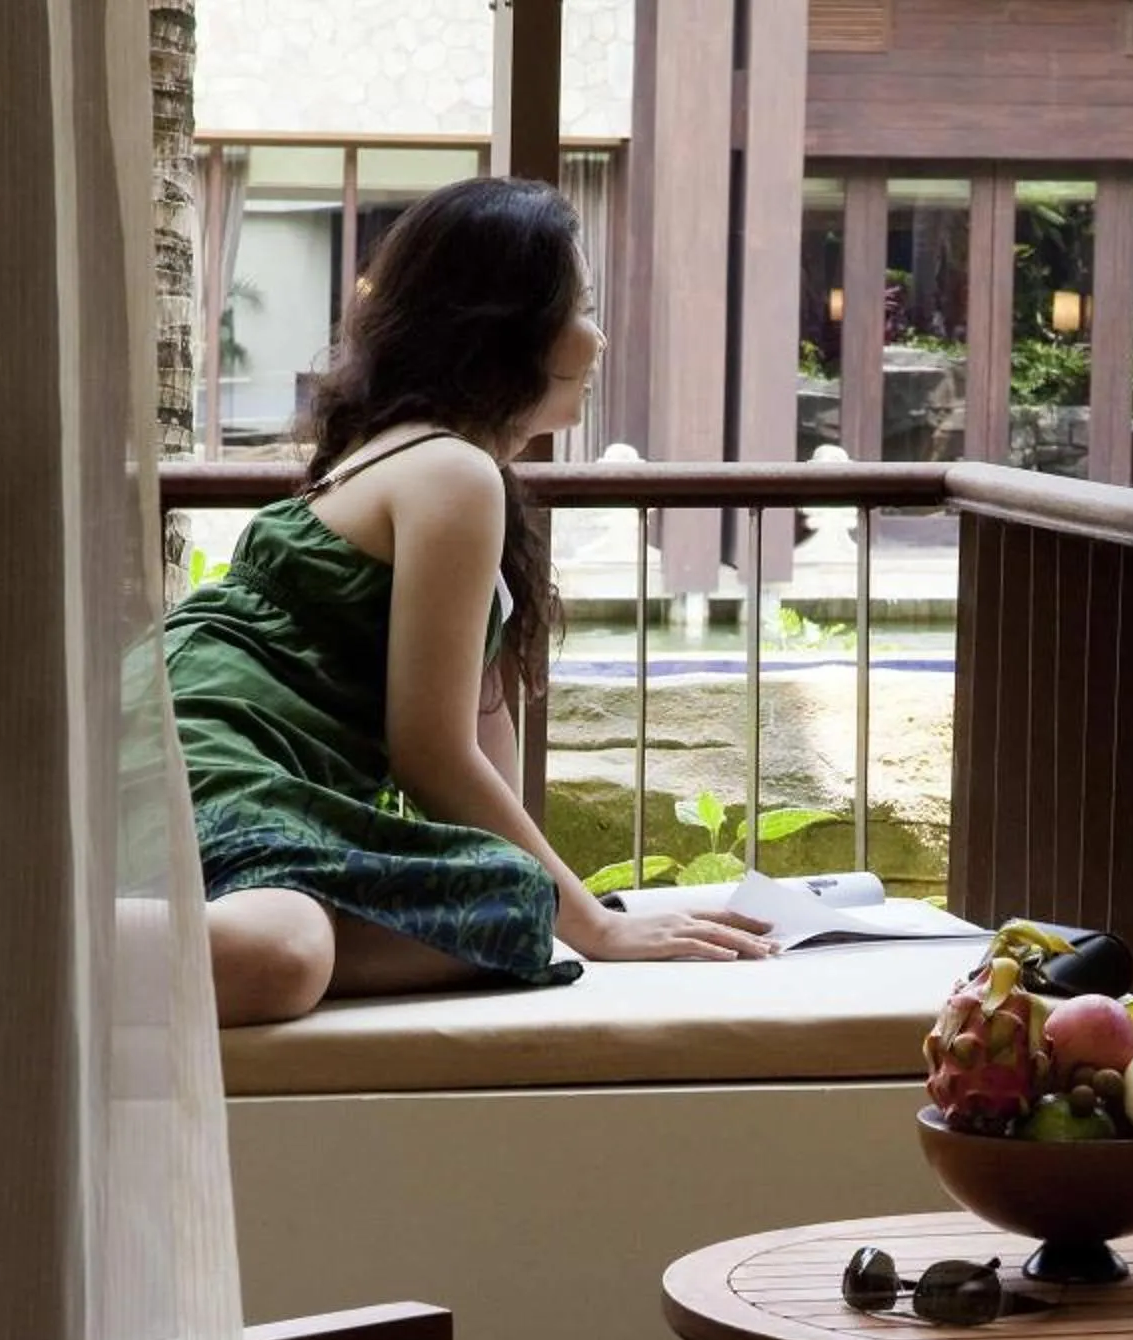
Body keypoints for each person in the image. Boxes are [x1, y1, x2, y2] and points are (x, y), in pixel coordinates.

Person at [168, 176, 774, 1027]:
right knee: (283, 957)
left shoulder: (429, 465)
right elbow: (431, 756)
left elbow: (480, 777)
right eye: (580, 305)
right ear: (506, 327)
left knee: (512, 907)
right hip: (212, 747)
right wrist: (597, 923)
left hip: (239, 759)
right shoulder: (450, 470)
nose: (596, 338)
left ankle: (138, 928)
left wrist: (576, 914)